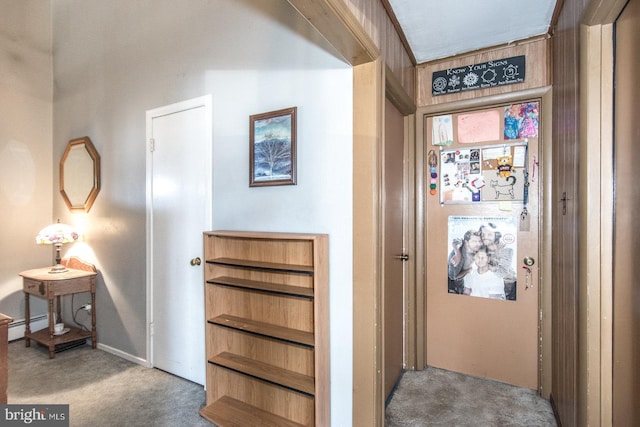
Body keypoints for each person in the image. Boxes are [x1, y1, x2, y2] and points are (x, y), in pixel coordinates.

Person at [479, 223, 517, 300]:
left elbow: (502, 273)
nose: (485, 237)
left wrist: (486, 264)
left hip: (507, 291)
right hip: (486, 289)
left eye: (489, 234)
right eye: (483, 235)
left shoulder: (506, 250)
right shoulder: (482, 249)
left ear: (496, 235)